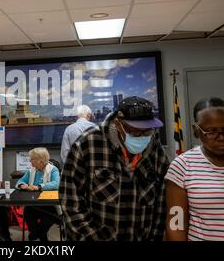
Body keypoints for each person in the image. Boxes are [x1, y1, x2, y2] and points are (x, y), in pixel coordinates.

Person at [60, 96, 169, 241]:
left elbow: (162, 198)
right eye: (135, 131)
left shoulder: (154, 145)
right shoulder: (88, 143)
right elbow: (70, 200)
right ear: (118, 124)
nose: (142, 136)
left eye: (147, 130)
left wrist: (155, 236)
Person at [165, 97, 224, 241]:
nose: (222, 138)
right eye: (211, 132)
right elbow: (177, 224)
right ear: (196, 131)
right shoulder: (182, 166)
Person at [16, 147, 60, 241]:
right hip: (33, 203)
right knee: (27, 212)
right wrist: (22, 185)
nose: (30, 161)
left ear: (40, 160)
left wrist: (39, 186)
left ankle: (34, 236)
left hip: (49, 205)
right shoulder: (31, 170)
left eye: (32, 159)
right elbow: (20, 181)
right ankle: (42, 238)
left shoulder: (53, 169)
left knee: (49, 218)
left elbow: (57, 183)